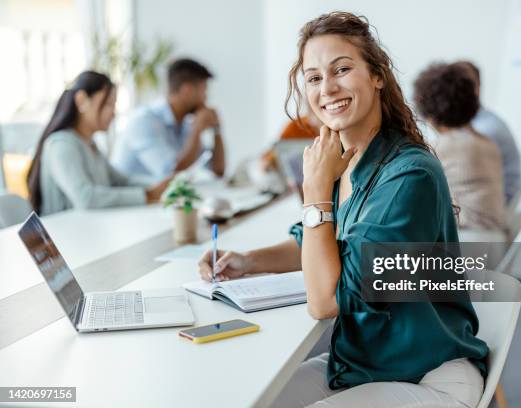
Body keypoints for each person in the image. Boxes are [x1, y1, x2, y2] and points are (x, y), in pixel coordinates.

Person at [198, 12, 488, 408]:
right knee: (249, 399)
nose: (327, 87)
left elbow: (326, 300)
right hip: (363, 365)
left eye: (342, 69)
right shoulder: (344, 161)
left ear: (377, 76)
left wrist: (314, 192)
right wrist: (249, 261)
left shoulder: (410, 175)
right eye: (314, 78)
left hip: (430, 375)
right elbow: (313, 243)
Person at [27, 71, 169, 216]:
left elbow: (122, 181)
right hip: (65, 235)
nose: (113, 113)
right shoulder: (61, 144)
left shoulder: (89, 143)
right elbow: (86, 198)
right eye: (108, 104)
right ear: (82, 100)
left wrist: (163, 184)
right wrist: (147, 195)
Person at [414, 62, 506, 232]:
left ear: (428, 113)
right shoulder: (486, 142)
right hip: (492, 241)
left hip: (465, 242)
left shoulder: (442, 147)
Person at [111, 58, 225, 181]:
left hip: (157, 199)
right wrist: (197, 130)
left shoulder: (185, 124)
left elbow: (218, 170)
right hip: (133, 198)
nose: (205, 98)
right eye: (203, 92)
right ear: (187, 91)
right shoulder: (145, 121)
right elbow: (171, 173)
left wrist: (216, 129)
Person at [454, 60, 521, 204]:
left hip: (497, 206)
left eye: (462, 85)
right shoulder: (475, 125)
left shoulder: (485, 130)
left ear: (476, 88)